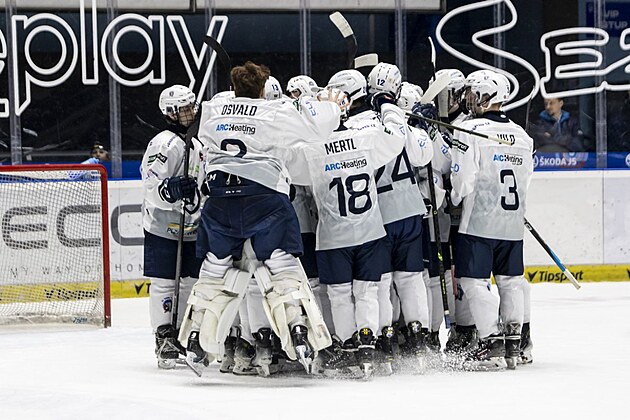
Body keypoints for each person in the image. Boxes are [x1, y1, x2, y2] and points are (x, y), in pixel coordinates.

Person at [177, 61, 342, 376]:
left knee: (214, 270)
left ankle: (196, 337)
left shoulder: (213, 110)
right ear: (263, 89)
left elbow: (199, 129)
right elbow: (321, 126)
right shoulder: (275, 112)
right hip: (264, 199)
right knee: (281, 267)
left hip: (220, 200)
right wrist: (330, 104)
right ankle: (298, 331)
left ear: (233, 87)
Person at [291, 75, 407, 378]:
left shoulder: (313, 149)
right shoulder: (365, 139)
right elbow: (397, 137)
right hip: (370, 231)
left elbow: (287, 166)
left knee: (340, 295)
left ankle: (348, 347)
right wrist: (387, 106)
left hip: (333, 237)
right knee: (368, 291)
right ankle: (369, 342)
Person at [449, 70, 534, 371]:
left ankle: (491, 343)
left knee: (474, 281)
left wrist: (454, 198)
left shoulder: (469, 129)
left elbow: (463, 180)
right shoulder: (522, 135)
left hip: (479, 221)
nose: (469, 99)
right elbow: (527, 178)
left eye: (474, 94)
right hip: (512, 221)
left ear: (486, 96)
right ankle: (516, 345)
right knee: (511, 281)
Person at [364, 63, 434, 373]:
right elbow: (424, 157)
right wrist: (419, 126)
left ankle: (385, 340)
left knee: (381, 282)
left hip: (378, 213)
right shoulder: (403, 124)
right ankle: (419, 339)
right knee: (410, 278)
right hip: (409, 210)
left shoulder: (364, 124)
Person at [139, 84, 205, 369]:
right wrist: (169, 189)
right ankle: (164, 336)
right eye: (185, 108)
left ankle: (183, 332)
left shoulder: (197, 144)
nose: (192, 112)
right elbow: (150, 183)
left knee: (190, 281)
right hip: (163, 225)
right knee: (165, 283)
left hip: (191, 225)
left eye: (192, 106)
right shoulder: (163, 143)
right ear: (170, 113)